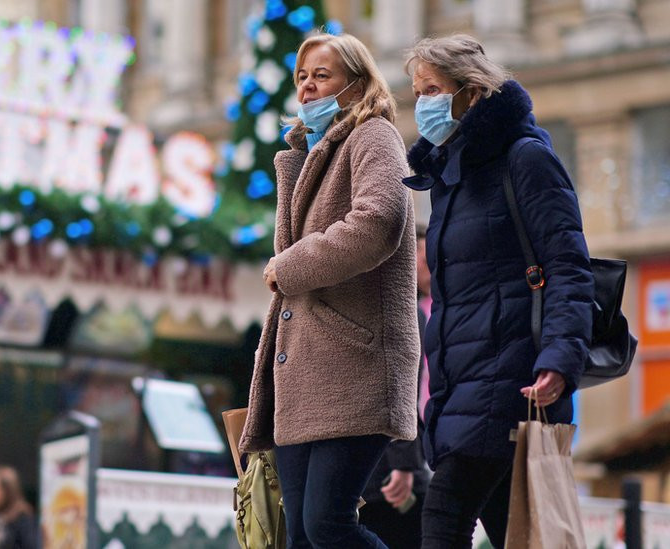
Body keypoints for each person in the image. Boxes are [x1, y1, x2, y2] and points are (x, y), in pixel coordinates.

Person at [401, 34, 594, 548]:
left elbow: (569, 265)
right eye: (418, 91)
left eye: (433, 88)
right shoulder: (451, 176)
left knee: (443, 521)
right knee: (516, 533)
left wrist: (559, 356)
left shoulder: (524, 158)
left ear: (472, 92)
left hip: (510, 376)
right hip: (464, 381)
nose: (424, 103)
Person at [239, 32, 420, 548]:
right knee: (301, 536)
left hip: (354, 365)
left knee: (327, 524)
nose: (308, 88)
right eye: (302, 77)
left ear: (356, 84)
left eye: (323, 75)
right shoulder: (309, 153)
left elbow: (377, 222)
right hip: (304, 378)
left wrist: (287, 267)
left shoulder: (373, 135)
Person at [358, 230, 432, 549]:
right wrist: (405, 463)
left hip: (382, 462)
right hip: (389, 466)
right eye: (423, 257)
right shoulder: (403, 309)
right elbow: (401, 390)